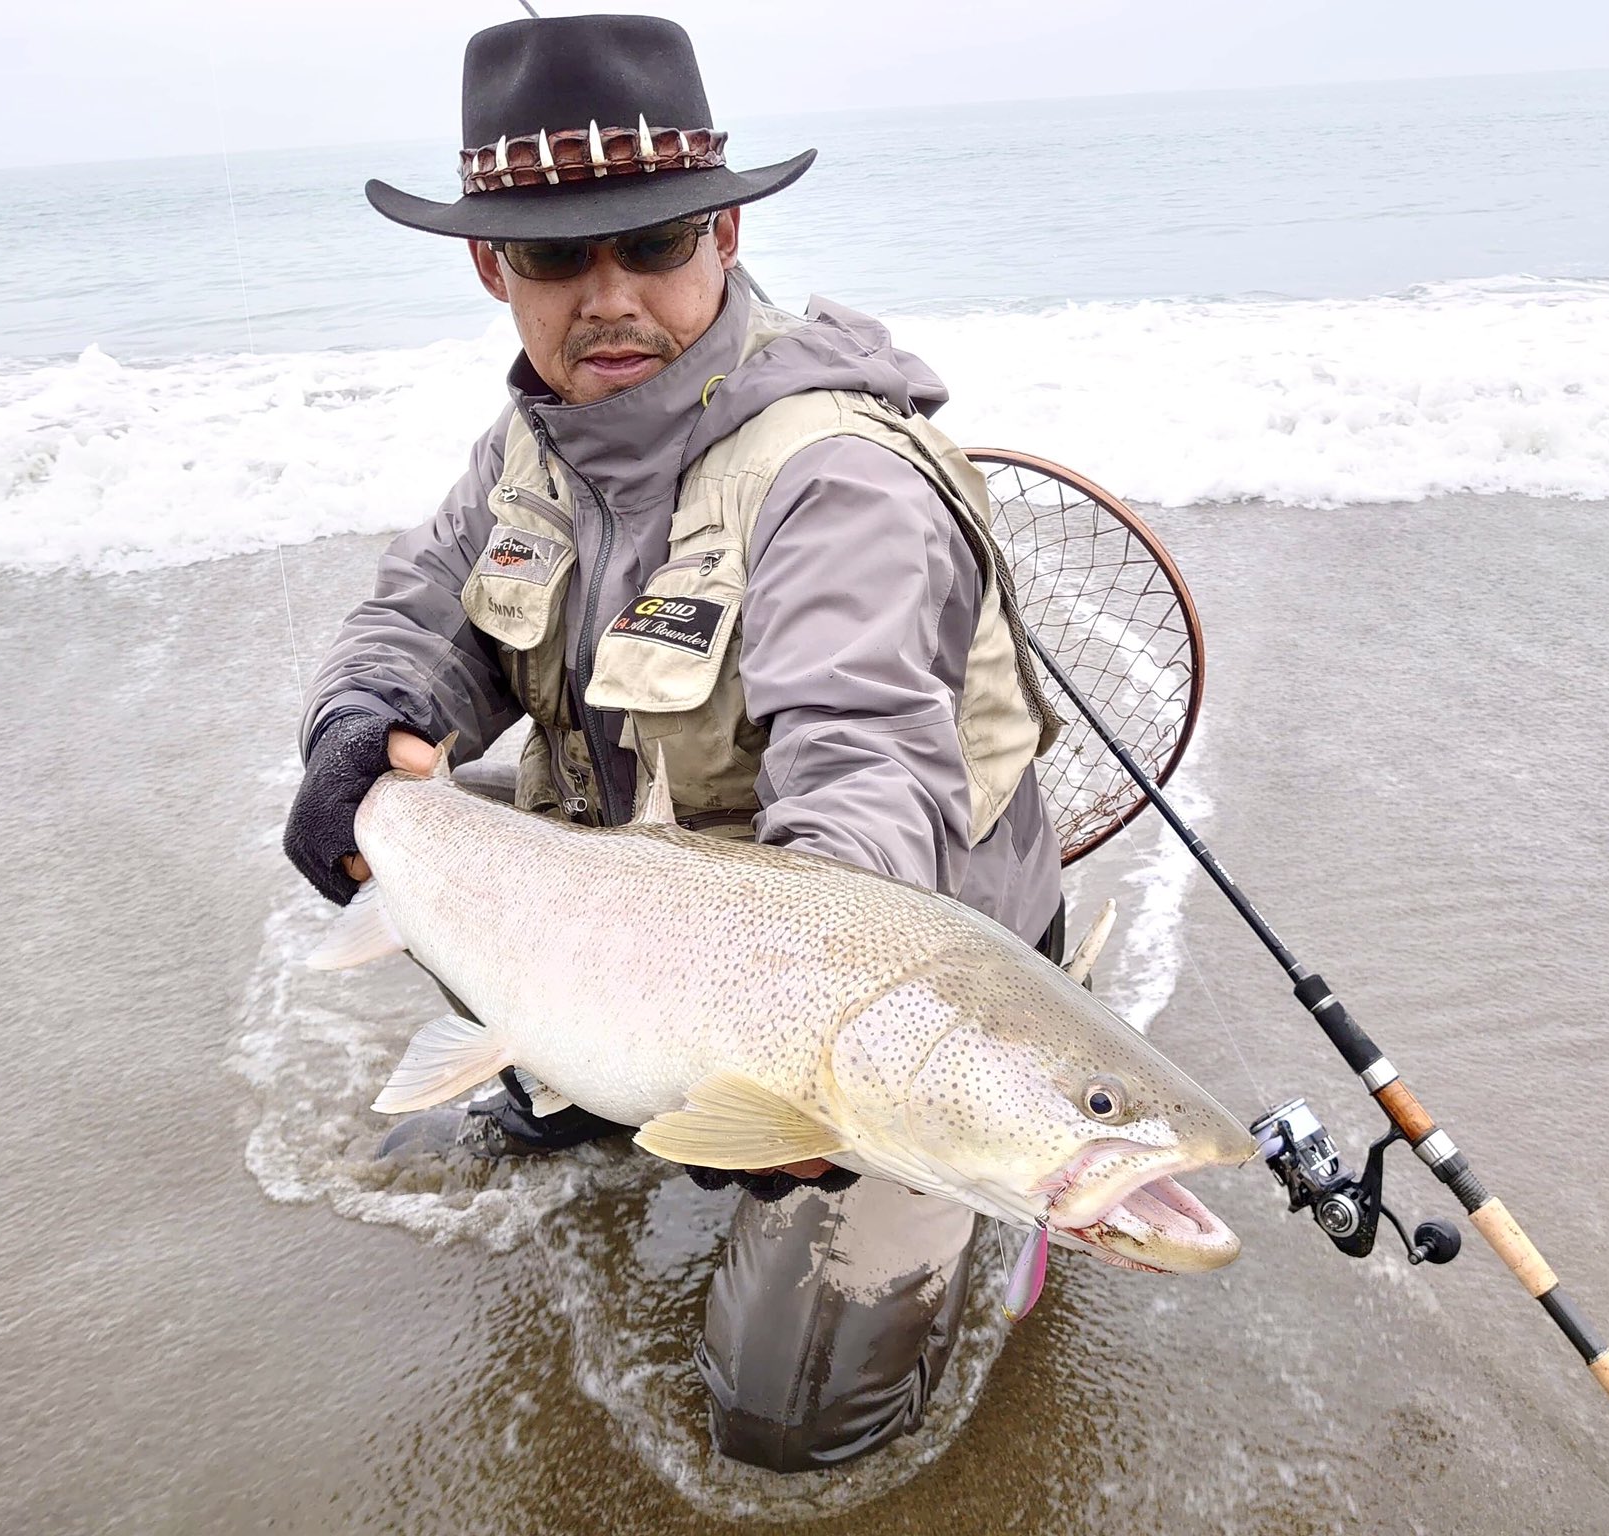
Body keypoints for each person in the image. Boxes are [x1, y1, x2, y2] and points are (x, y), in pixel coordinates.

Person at [282, 14, 1062, 1472]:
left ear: (726, 227)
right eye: (557, 259)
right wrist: (360, 723)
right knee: (428, 1149)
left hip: (900, 968)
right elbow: (425, 619)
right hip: (650, 897)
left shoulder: (838, 484)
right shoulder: (533, 439)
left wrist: (822, 1059)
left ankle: (985, 1202)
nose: (611, 295)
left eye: (653, 241)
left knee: (785, 1422)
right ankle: (589, 1071)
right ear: (487, 268)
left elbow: (867, 771)